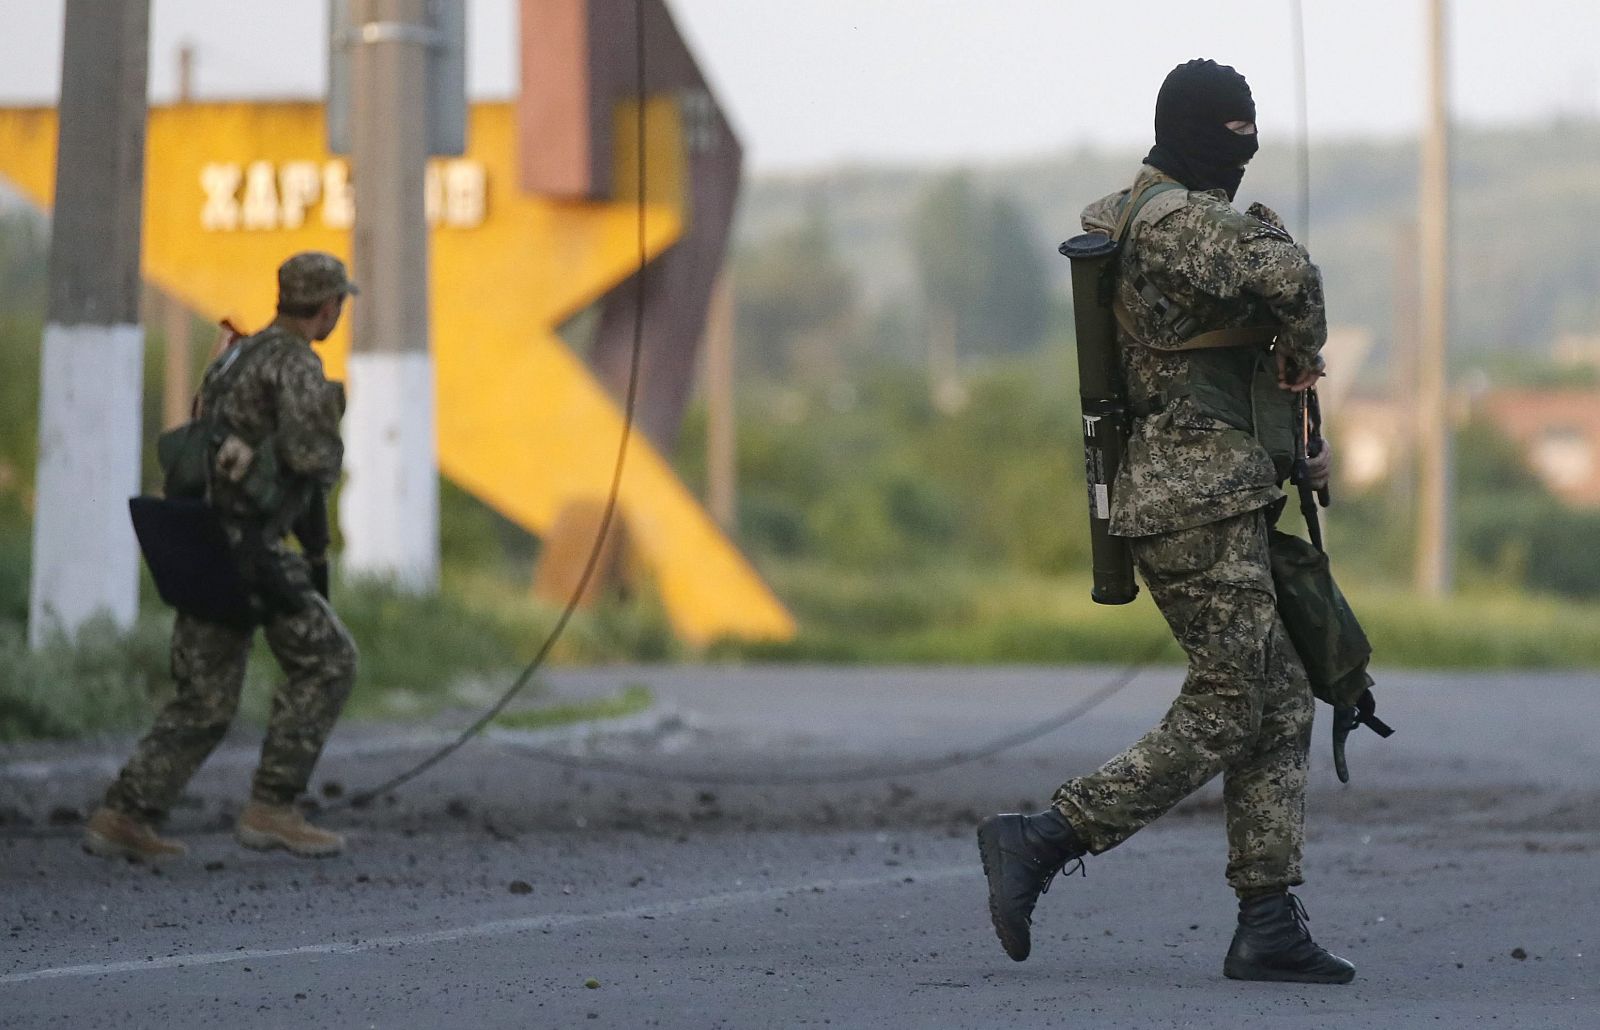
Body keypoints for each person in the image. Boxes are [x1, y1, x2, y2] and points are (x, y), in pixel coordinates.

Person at [977, 59, 1353, 983]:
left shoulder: (1160, 217)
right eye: (1232, 134)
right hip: (1192, 499)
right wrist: (1305, 360)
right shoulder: (1178, 221)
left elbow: (1215, 357)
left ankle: (1268, 920)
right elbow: (1292, 276)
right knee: (1229, 705)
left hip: (1217, 490)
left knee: (1278, 697)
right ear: (1190, 134)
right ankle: (1045, 836)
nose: (1244, 151)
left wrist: (1292, 430)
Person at [84, 252, 360, 861]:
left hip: (204, 540)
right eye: (339, 302)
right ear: (327, 306)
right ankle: (273, 806)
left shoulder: (236, 355)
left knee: (204, 697)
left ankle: (124, 814)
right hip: (252, 550)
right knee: (329, 662)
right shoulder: (296, 365)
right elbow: (313, 461)